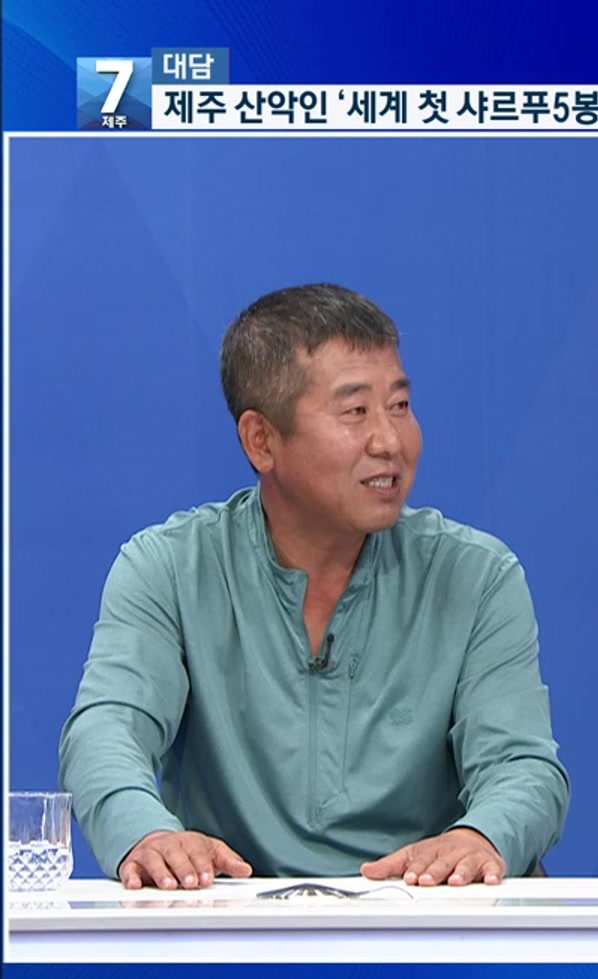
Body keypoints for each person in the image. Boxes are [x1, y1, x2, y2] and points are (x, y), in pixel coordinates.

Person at [58, 283, 571, 891]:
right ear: (262, 440)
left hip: (430, 927)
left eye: (400, 406)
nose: (390, 441)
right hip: (234, 930)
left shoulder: (477, 575)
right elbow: (106, 729)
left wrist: (481, 836)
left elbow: (524, 765)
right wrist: (144, 834)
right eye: (355, 411)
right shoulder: (167, 567)